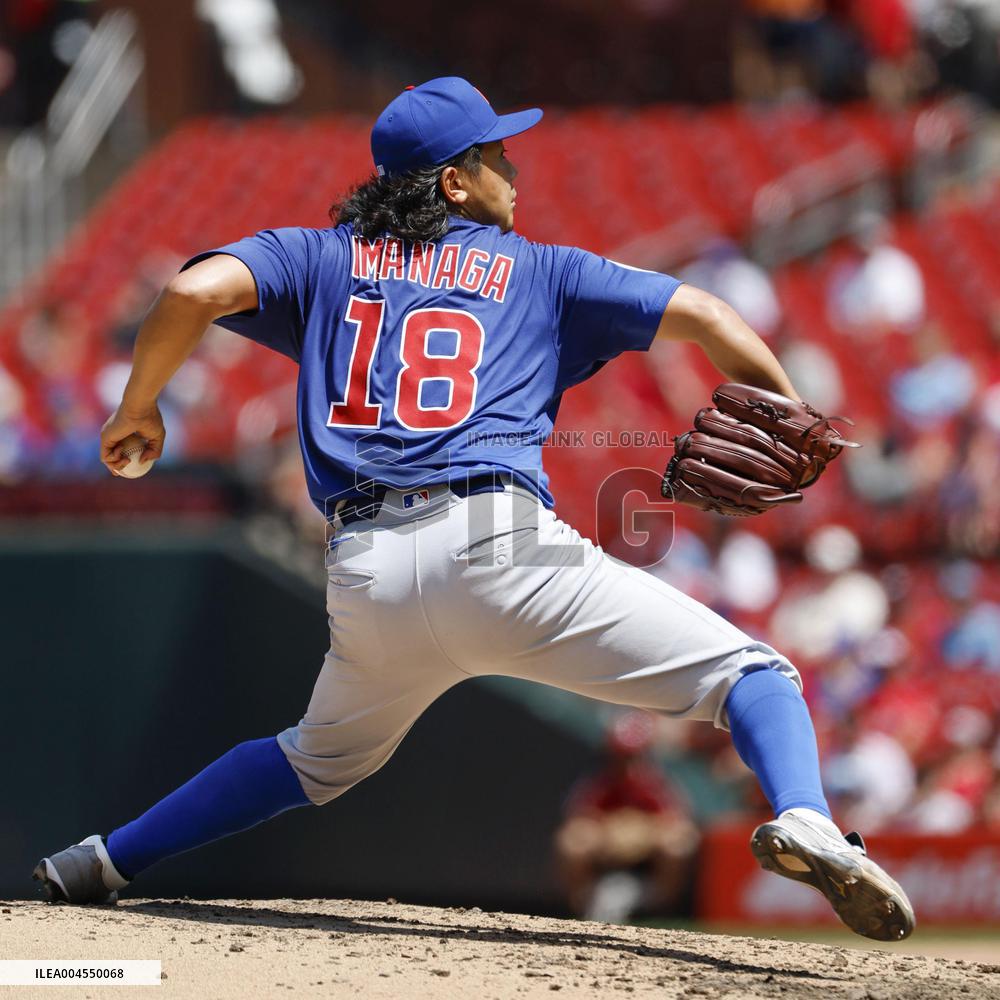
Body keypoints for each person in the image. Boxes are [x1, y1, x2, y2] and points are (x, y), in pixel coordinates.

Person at [33, 77, 914, 942]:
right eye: (496, 155)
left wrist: (137, 408)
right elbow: (711, 314)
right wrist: (788, 408)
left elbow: (191, 292)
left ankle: (101, 861)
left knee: (314, 758)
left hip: (367, 569)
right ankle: (808, 818)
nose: (514, 170)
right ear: (454, 181)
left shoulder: (317, 256)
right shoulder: (544, 269)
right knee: (753, 677)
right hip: (499, 547)